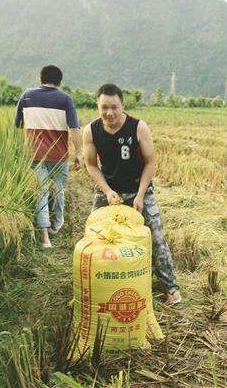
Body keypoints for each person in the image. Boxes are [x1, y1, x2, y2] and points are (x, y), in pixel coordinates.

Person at [82, 83, 181, 304]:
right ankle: (98, 285)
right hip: (109, 190)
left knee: (155, 236)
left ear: (123, 105)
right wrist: (107, 191)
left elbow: (150, 162)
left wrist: (139, 195)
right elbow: (90, 164)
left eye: (114, 107)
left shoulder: (138, 127)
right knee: (94, 236)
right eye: (104, 107)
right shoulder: (91, 130)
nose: (109, 112)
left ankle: (171, 288)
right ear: (97, 106)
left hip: (139, 189)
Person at [15, 65, 82, 249]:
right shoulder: (65, 99)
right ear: (60, 82)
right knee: (58, 189)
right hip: (59, 156)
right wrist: (79, 153)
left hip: (34, 155)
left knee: (41, 192)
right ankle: (56, 225)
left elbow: (18, 125)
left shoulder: (26, 96)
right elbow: (74, 129)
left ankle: (45, 238)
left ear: (40, 79)